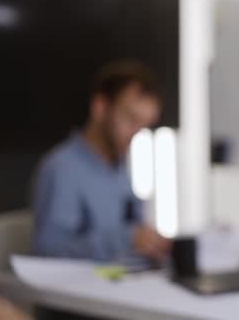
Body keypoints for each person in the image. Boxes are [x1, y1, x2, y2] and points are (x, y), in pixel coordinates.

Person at [32, 60, 170, 263]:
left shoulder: (119, 166)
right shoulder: (62, 169)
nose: (135, 133)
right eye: (130, 119)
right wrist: (127, 239)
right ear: (100, 107)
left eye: (143, 125)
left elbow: (132, 225)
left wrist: (151, 242)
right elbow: (47, 252)